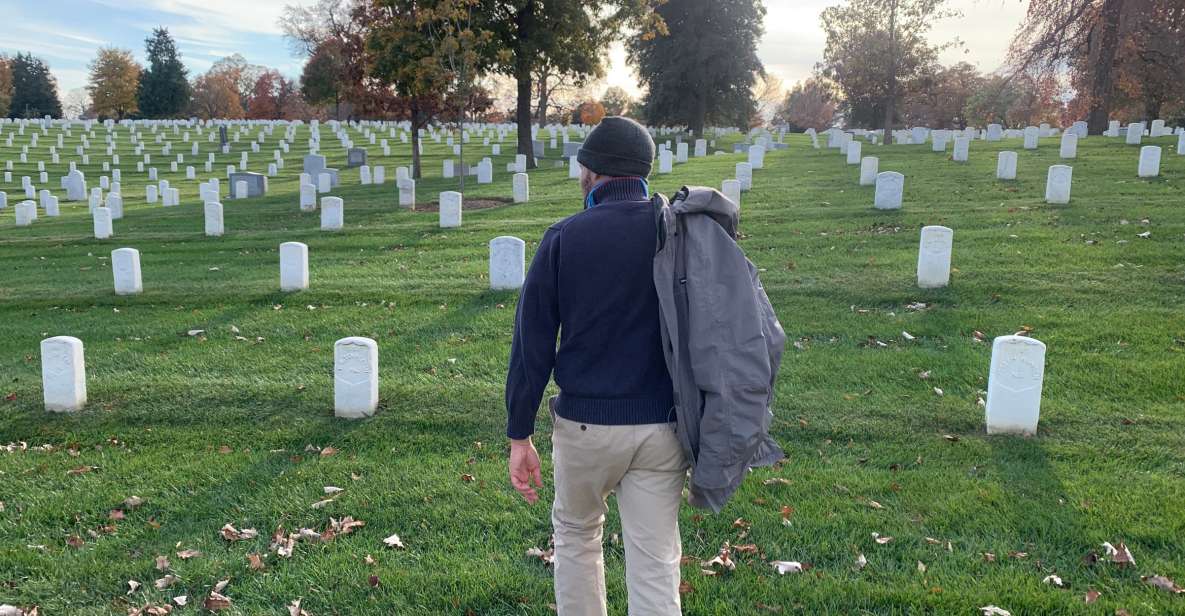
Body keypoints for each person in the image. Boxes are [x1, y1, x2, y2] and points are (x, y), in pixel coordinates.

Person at [505, 116, 686, 615]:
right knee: (655, 560)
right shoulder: (679, 232)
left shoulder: (565, 236)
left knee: (578, 538)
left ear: (591, 171)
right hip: (663, 425)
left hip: (586, 426)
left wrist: (519, 435)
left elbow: (531, 347)